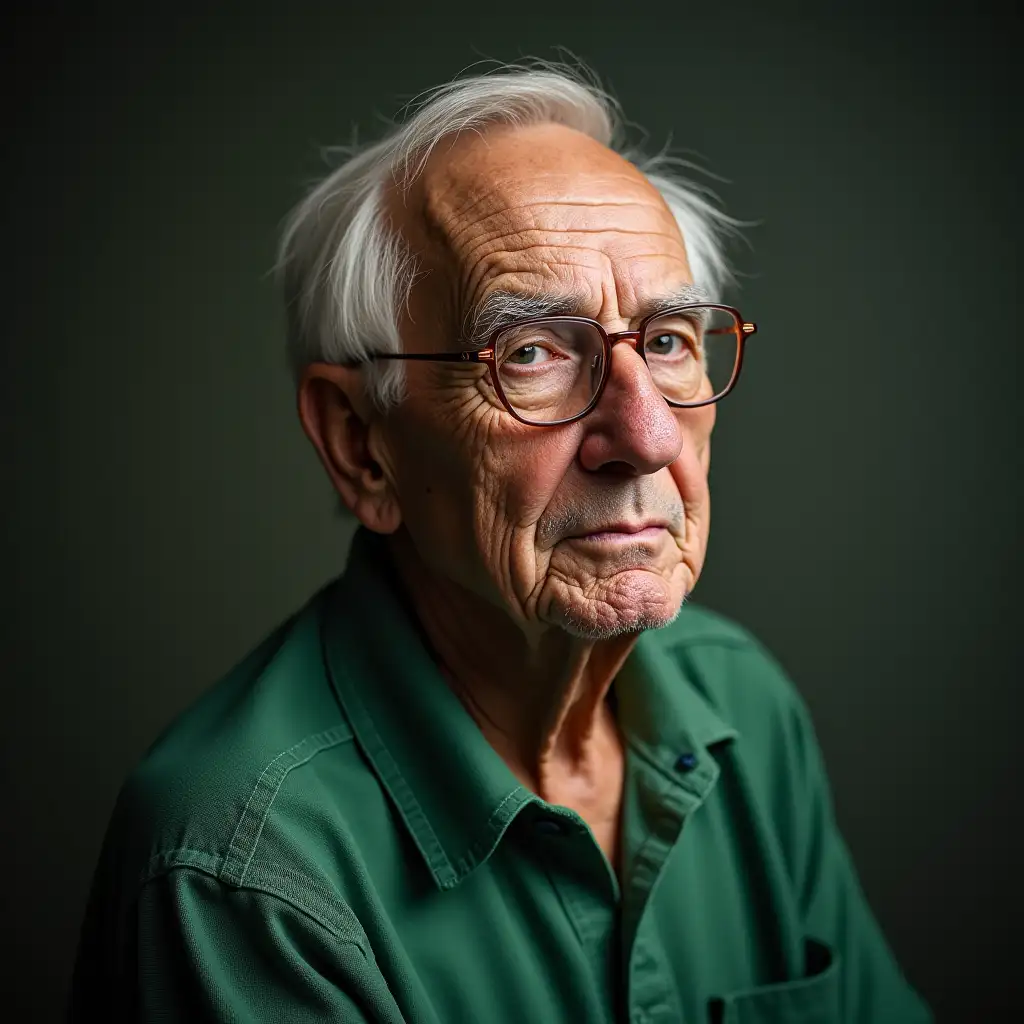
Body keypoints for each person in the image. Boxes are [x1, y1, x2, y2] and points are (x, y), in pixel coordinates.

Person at [69, 62, 933, 1023]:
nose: (644, 435)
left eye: (667, 340)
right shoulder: (240, 872)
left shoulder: (745, 706)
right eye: (532, 353)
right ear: (364, 448)